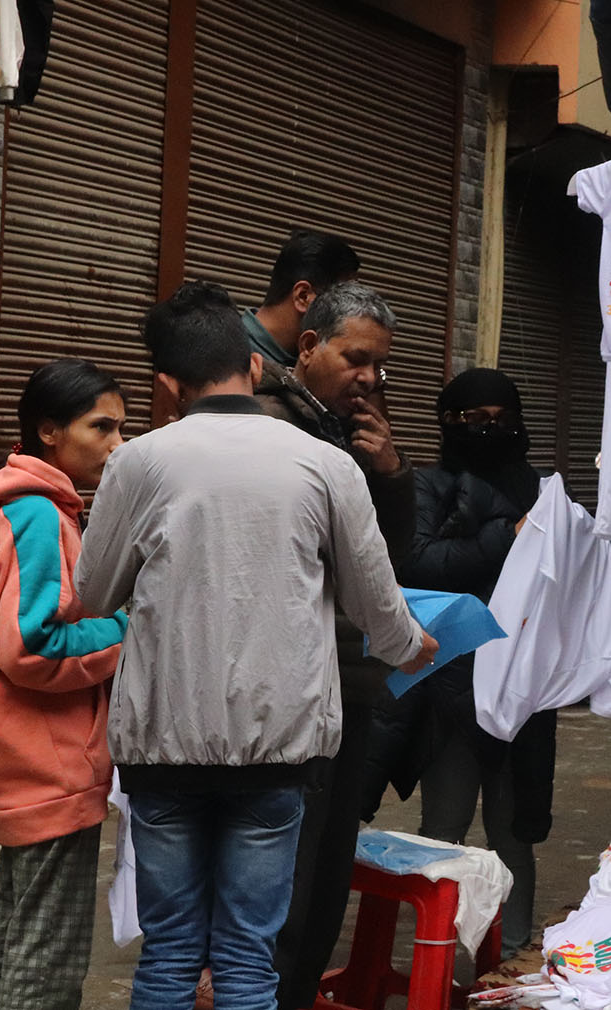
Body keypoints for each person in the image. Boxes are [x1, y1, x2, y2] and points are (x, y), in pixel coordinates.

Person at [73, 281, 437, 1010]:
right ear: (254, 362)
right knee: (247, 959)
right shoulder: (325, 464)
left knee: (171, 950)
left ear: (168, 383)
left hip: (163, 745)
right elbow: (376, 603)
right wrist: (412, 645)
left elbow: (94, 594)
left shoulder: (138, 463)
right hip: (276, 747)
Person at [0, 358, 130, 1010]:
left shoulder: (26, 508)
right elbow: (35, 646)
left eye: (121, 429)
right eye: (101, 426)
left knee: (14, 938)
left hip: (28, 766)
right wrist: (127, 627)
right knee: (46, 963)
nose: (116, 445)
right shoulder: (38, 515)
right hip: (51, 771)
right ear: (49, 430)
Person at [259, 281, 414, 1010]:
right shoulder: (268, 426)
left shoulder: (356, 437)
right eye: (356, 358)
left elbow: (389, 561)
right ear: (309, 345)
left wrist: (391, 476)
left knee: (326, 871)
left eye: (379, 366)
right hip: (288, 686)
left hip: (351, 680)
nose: (369, 378)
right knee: (284, 875)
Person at [365, 367, 555, 958]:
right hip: (452, 690)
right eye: (477, 419)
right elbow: (417, 563)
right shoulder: (428, 487)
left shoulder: (543, 492)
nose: (492, 429)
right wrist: (508, 537)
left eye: (503, 419)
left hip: (524, 690)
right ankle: (437, 959)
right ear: (449, 423)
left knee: (513, 833)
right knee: (442, 830)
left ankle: (512, 960)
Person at [241, 230, 362, 370]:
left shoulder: (311, 363)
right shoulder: (227, 356)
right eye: (343, 302)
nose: (349, 316)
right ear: (303, 296)